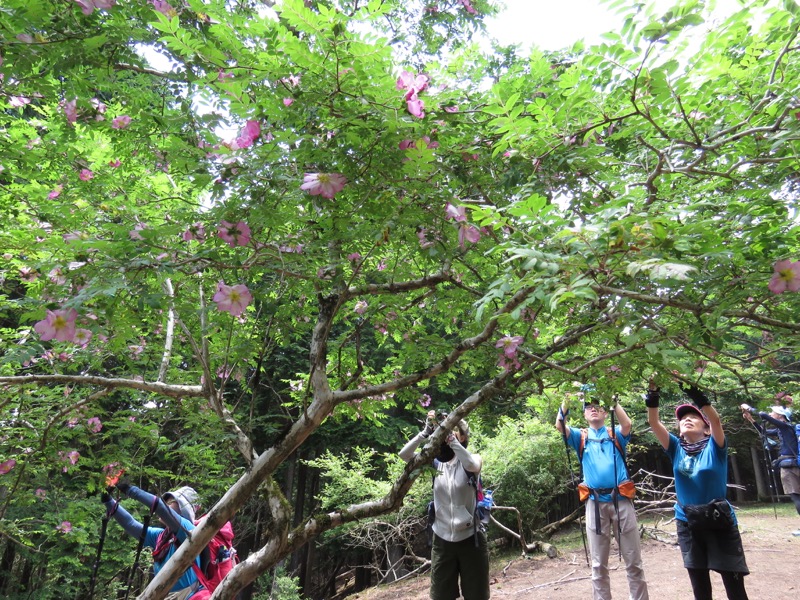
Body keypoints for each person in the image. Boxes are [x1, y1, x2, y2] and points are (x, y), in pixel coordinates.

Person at [647, 382, 749, 600]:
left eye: (693, 417)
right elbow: (653, 421)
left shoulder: (716, 446)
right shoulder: (675, 449)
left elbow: (716, 419)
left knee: (735, 587)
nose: (686, 419)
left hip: (720, 521)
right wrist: (653, 392)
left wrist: (691, 389)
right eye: (682, 418)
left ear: (706, 428)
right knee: (700, 589)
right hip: (687, 522)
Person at [555, 392, 649, 600]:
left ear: (606, 412)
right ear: (584, 414)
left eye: (598, 406)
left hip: (621, 501)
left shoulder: (615, 434)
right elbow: (560, 425)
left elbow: (627, 424)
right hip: (595, 504)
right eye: (588, 407)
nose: (593, 408)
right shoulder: (581, 437)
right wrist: (568, 399)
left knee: (633, 562)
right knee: (598, 565)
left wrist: (612, 400)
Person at [399, 410, 489, 600]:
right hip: (442, 540)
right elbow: (404, 455)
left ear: (461, 437)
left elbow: (473, 465)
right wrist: (424, 433)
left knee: (477, 596)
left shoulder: (472, 460)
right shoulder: (434, 463)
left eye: (451, 432)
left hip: (470, 539)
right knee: (440, 596)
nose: (444, 436)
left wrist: (452, 441)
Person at [101, 482, 210, 600]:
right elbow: (131, 524)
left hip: (186, 596)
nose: (166, 504)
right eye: (166, 501)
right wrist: (108, 501)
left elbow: (160, 508)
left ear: (181, 509)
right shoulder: (161, 537)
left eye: (170, 502)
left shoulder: (188, 530)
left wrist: (131, 490)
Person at [740, 403, 800, 535]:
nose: (771, 414)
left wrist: (750, 408)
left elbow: (763, 415)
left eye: (773, 412)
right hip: (795, 464)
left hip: (789, 467)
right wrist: (751, 419)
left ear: (780, 415)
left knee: (795, 496)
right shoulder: (785, 429)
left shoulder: (784, 426)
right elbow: (763, 432)